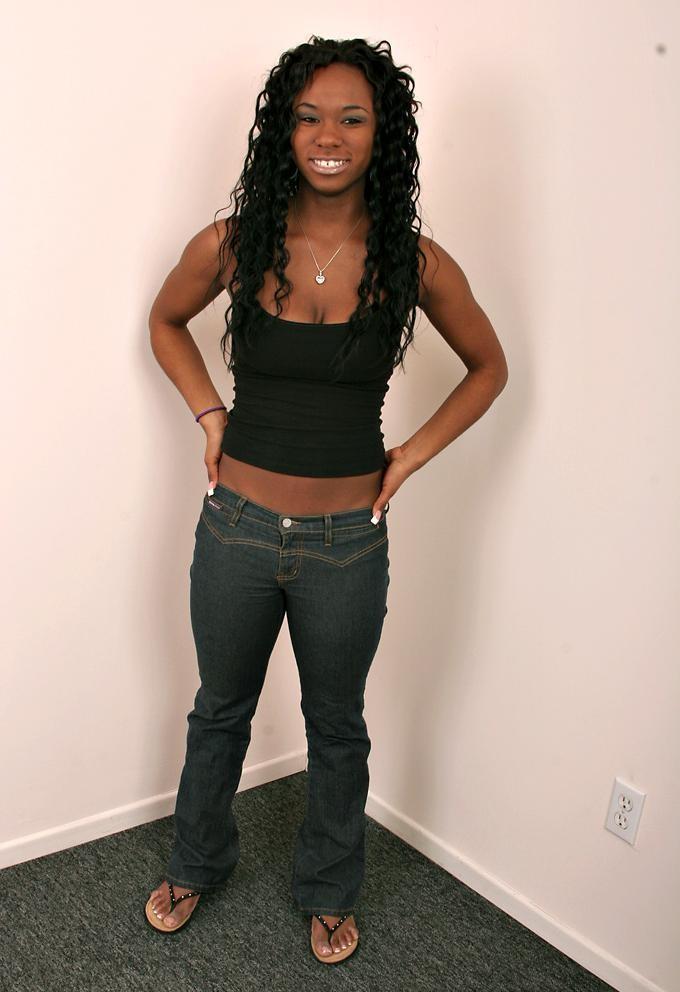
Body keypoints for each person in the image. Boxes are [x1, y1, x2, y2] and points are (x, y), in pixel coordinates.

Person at [143, 36, 508, 964]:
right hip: (235, 530)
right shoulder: (234, 244)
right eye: (308, 117)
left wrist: (410, 456)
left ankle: (330, 887)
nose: (329, 136)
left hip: (348, 542)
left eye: (352, 118)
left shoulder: (412, 262)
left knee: (336, 726)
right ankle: (195, 860)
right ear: (284, 131)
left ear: (383, 134)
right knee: (219, 709)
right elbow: (165, 319)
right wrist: (209, 412)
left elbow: (489, 367)